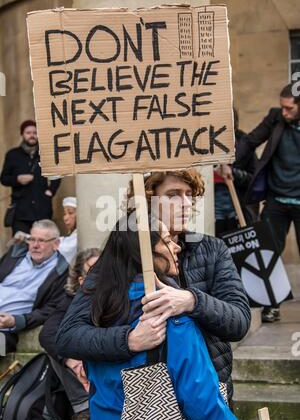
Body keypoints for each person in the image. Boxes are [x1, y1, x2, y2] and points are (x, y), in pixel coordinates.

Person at [56, 170, 251, 408]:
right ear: (147, 200)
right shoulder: (120, 253)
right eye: (173, 195)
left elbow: (240, 321)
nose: (186, 204)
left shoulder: (211, 249)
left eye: (189, 195)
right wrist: (129, 340)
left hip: (207, 397)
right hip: (140, 407)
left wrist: (191, 301)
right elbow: (68, 336)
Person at [74, 217, 254, 420]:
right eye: (168, 241)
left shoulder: (97, 311)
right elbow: (203, 405)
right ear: (145, 254)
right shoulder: (170, 314)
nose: (177, 246)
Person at [236, 83, 300, 322]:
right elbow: (250, 141)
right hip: (276, 199)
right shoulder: (275, 118)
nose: (284, 112)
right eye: (282, 107)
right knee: (268, 253)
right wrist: (230, 160)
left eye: (289, 108)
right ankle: (271, 306)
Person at [39, 248, 100, 420]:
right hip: (83, 368)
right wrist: (72, 360)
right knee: (59, 346)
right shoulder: (72, 298)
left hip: (109, 358)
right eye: (92, 270)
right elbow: (47, 333)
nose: (100, 275)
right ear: (81, 280)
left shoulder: (120, 294)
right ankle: (85, 410)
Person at [0, 219, 68, 355]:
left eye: (42, 241)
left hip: (5, 330)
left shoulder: (61, 273)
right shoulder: (14, 256)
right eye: (32, 239)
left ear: (56, 244)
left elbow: (50, 309)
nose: (35, 245)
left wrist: (16, 321)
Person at [0, 120, 61, 235]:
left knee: (42, 243)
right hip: (21, 211)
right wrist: (17, 179)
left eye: (35, 132)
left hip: (42, 208)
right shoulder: (13, 154)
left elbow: (56, 175)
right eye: (28, 132)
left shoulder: (46, 154)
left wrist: (50, 191)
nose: (32, 135)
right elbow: (4, 178)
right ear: (22, 134)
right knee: (21, 246)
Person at [214, 108, 258, 235]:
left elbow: (253, 179)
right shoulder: (199, 143)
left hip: (238, 206)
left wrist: (234, 173)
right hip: (210, 208)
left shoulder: (244, 143)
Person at [59, 197, 78, 264]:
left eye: (70, 213)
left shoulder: (79, 236)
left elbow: (64, 249)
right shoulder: (70, 235)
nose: (65, 218)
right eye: (64, 214)